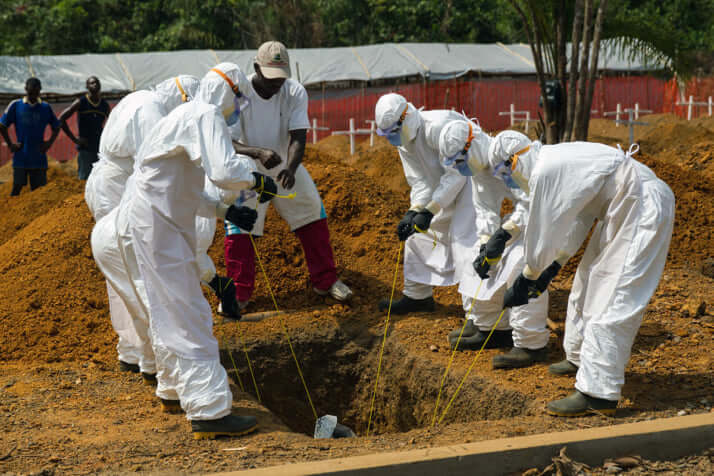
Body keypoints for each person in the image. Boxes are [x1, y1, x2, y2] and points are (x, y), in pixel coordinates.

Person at [112, 62, 276, 438]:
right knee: (190, 310)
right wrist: (256, 180)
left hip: (152, 219)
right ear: (227, 91)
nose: (239, 108)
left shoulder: (185, 115)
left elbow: (184, 185)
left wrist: (224, 208)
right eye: (239, 99)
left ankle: (172, 388)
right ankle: (209, 409)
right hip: (160, 225)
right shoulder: (204, 115)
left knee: (167, 306)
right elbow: (222, 171)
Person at [489, 130, 674, 416]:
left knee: (614, 294)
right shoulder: (556, 163)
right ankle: (578, 357)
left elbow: (543, 231)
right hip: (620, 205)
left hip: (641, 204)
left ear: (514, 159)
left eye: (504, 171)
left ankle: (598, 393)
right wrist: (551, 268)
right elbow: (576, 220)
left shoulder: (545, 170)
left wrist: (528, 276)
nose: (507, 179)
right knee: (587, 280)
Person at [88, 76, 201, 379]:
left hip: (113, 184)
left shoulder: (143, 100)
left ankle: (137, 351)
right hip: (117, 187)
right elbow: (154, 165)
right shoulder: (151, 110)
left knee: (126, 271)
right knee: (136, 268)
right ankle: (151, 357)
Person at [227, 40, 352, 309]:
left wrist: (292, 168)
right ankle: (238, 294)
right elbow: (230, 141)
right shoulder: (239, 94)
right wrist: (258, 152)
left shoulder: (294, 91)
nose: (276, 85)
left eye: (280, 79)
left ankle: (325, 280)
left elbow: (298, 135)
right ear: (256, 68)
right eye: (270, 78)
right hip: (247, 168)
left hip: (283, 166)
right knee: (241, 222)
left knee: (310, 208)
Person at [373, 94, 505, 342]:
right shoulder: (404, 143)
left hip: (470, 180)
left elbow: (456, 173)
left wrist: (430, 210)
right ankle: (417, 296)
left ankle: (478, 318)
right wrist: (415, 210)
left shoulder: (437, 126)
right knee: (417, 235)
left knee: (466, 242)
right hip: (442, 189)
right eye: (386, 133)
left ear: (407, 118)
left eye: (394, 131)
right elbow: (419, 180)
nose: (392, 137)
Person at [438, 120, 550, 363]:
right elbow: (486, 210)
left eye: (460, 160)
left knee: (522, 264)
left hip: (543, 217)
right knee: (479, 259)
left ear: (474, 143)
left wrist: (504, 234)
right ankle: (494, 329)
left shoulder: (505, 150)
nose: (461, 167)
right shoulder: (480, 172)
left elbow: (531, 200)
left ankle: (531, 343)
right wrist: (486, 243)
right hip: (519, 222)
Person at [0, 77, 61, 196]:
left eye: (36, 92)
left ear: (40, 91)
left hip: (39, 158)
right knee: (17, 189)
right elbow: (2, 125)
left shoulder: (45, 107)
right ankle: (14, 213)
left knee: (39, 193)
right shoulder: (16, 105)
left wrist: (49, 143)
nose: (33, 94)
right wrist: (11, 144)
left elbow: (57, 126)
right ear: (25, 89)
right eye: (30, 92)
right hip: (21, 157)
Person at [58, 76, 111, 180]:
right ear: (87, 86)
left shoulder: (104, 105)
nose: (95, 84)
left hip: (100, 149)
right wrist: (75, 139)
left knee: (99, 180)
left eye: (97, 82)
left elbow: (113, 124)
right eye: (92, 83)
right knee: (84, 180)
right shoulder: (81, 102)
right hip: (85, 149)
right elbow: (61, 119)